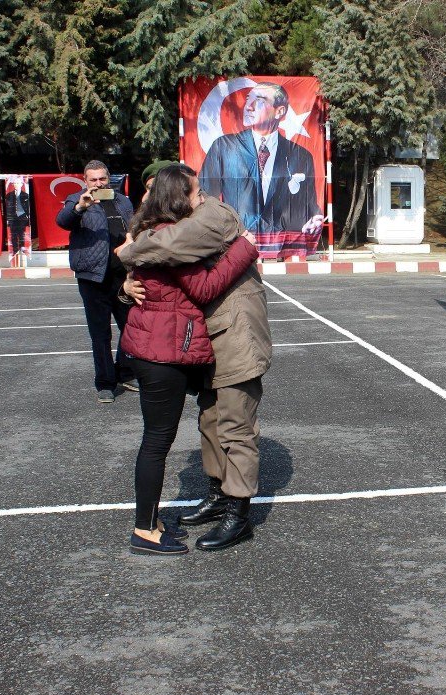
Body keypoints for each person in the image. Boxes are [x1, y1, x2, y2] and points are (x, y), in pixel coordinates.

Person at [116, 165, 260, 556]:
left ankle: (235, 509)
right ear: (177, 197)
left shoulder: (185, 223)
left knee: (230, 423)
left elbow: (153, 263)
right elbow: (202, 285)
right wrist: (245, 246)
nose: (202, 198)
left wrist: (129, 268)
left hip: (206, 340)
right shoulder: (170, 235)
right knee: (170, 436)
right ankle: (151, 526)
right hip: (169, 349)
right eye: (196, 192)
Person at [56, 160, 137, 403]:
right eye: (93, 180)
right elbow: (63, 221)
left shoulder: (123, 201)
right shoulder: (76, 199)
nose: (99, 183)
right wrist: (80, 207)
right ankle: (105, 383)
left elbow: (134, 228)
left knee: (131, 326)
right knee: (100, 334)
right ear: (85, 181)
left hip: (122, 276)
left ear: (109, 178)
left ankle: (125, 372)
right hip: (92, 277)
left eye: (102, 178)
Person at [199, 81, 320, 237]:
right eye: (248, 99)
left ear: (279, 111)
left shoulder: (300, 156)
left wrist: (314, 218)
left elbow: (309, 205)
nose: (249, 107)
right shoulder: (224, 147)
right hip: (236, 241)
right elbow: (206, 198)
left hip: (281, 243)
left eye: (259, 100)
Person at [4, 177, 31, 266]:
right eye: (14, 183)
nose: (16, 185)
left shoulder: (25, 195)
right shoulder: (9, 195)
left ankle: (22, 246)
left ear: (21, 184)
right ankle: (15, 248)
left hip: (22, 216)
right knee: (13, 233)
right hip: (12, 217)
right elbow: (7, 207)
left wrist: (27, 216)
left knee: (21, 232)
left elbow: (27, 207)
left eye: (18, 183)